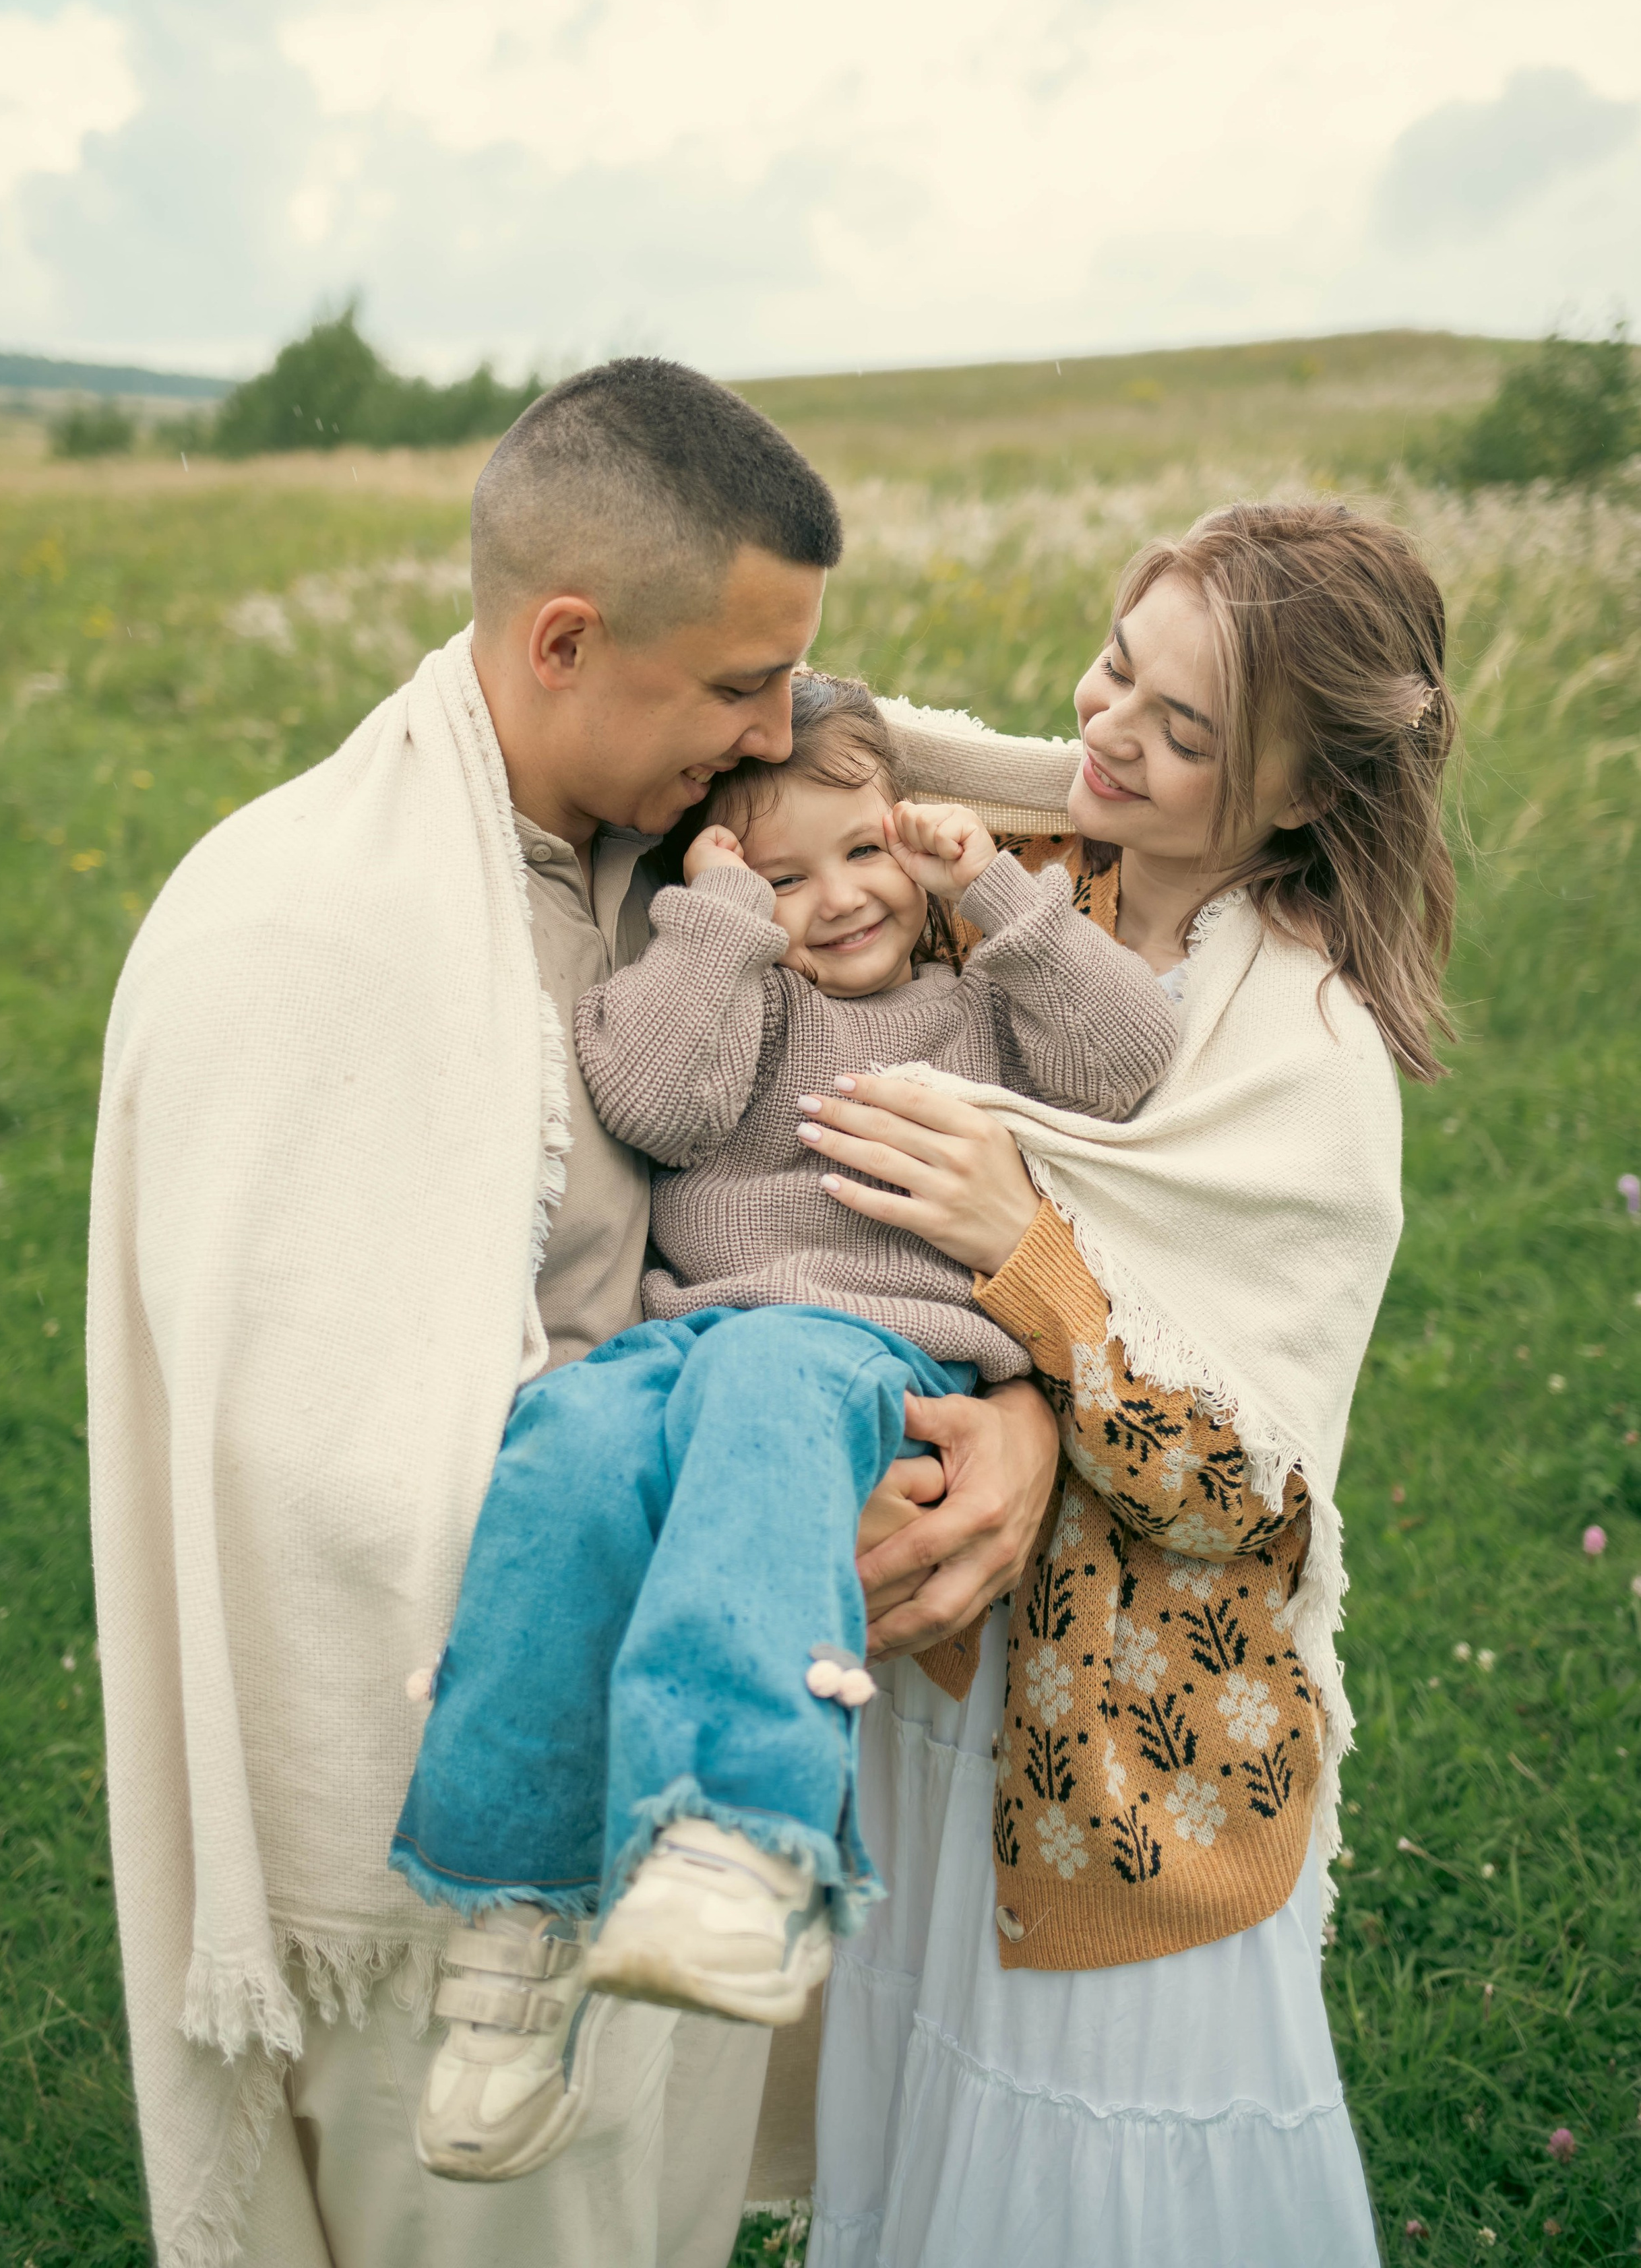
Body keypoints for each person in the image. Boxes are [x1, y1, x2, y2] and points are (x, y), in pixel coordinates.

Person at [87, 357, 1063, 2268]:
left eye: (800, 683)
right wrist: (760, 1501)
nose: (782, 736)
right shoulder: (305, 931)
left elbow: (946, 768)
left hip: (670, 1710)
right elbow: (318, 1477)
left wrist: (1003, 1415)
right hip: (435, 1815)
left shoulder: (673, 856)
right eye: (733, 690)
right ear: (559, 640)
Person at [388, 672, 1177, 2181]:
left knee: (761, 1382)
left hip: (874, 1356)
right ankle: (508, 1946)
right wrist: (719, 925)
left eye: (863, 853)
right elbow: (654, 1102)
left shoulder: (975, 1008)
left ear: (912, 841)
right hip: (693, 1342)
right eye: (783, 874)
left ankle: (739, 1834)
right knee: (563, 1450)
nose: (834, 901)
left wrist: (991, 890)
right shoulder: (730, 997)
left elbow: (1123, 1058)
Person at [801, 501, 1458, 2268]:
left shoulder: (1308, 1062)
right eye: (1113, 669)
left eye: (1186, 735)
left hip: (1135, 1757)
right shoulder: (1038, 880)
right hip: (960, 1684)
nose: (1110, 736)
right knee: (940, 2143)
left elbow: (1236, 1475)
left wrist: (1025, 1240)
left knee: (1104, 2184)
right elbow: (830, 742)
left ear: (1304, 794)